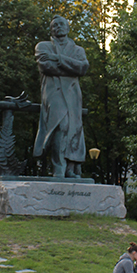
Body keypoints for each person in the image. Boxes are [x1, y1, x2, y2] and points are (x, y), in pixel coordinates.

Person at [33, 15, 89, 179]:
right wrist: (71, 68)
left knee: (74, 130)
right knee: (61, 126)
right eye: (55, 25)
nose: (58, 27)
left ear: (68, 27)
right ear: (51, 29)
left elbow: (83, 68)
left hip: (73, 95)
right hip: (54, 93)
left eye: (61, 24)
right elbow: (46, 67)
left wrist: (58, 59)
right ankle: (59, 168)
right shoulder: (43, 46)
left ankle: (69, 169)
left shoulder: (78, 50)